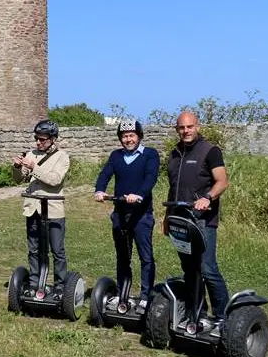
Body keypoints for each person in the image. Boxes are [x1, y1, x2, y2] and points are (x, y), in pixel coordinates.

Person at [165, 110, 230, 334]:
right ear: (177, 130)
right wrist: (167, 218)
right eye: (181, 128)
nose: (186, 131)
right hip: (181, 221)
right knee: (189, 269)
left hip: (203, 221)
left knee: (207, 268)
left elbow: (222, 182)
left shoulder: (210, 151)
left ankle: (223, 317)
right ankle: (199, 314)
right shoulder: (174, 154)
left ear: (197, 127)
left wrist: (207, 198)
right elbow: (173, 189)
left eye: (189, 127)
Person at [94, 118, 159, 313]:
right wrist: (99, 190)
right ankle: (123, 293)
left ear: (139, 136)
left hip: (141, 215)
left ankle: (146, 296)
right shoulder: (116, 156)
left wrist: (139, 195)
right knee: (123, 256)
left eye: (131, 135)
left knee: (145, 257)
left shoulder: (150, 154)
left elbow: (151, 177)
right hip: (120, 212)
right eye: (124, 136)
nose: (128, 139)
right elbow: (105, 174)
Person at [12, 120, 71, 295]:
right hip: (33, 209)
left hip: (53, 210)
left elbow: (55, 179)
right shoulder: (31, 153)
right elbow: (18, 179)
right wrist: (16, 167)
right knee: (34, 249)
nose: (38, 142)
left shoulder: (62, 157)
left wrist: (34, 167)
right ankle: (34, 282)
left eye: (42, 139)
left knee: (57, 250)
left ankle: (60, 285)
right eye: (36, 138)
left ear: (52, 139)